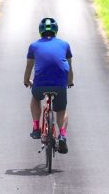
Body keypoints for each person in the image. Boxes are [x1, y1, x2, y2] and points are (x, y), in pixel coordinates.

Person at [23, 18, 74, 154]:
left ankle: (36, 127)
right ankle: (62, 135)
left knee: (35, 97)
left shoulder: (34, 46)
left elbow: (29, 67)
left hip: (40, 83)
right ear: (56, 30)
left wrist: (27, 80)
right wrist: (70, 82)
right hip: (59, 83)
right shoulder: (65, 44)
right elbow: (69, 67)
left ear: (40, 31)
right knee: (61, 109)